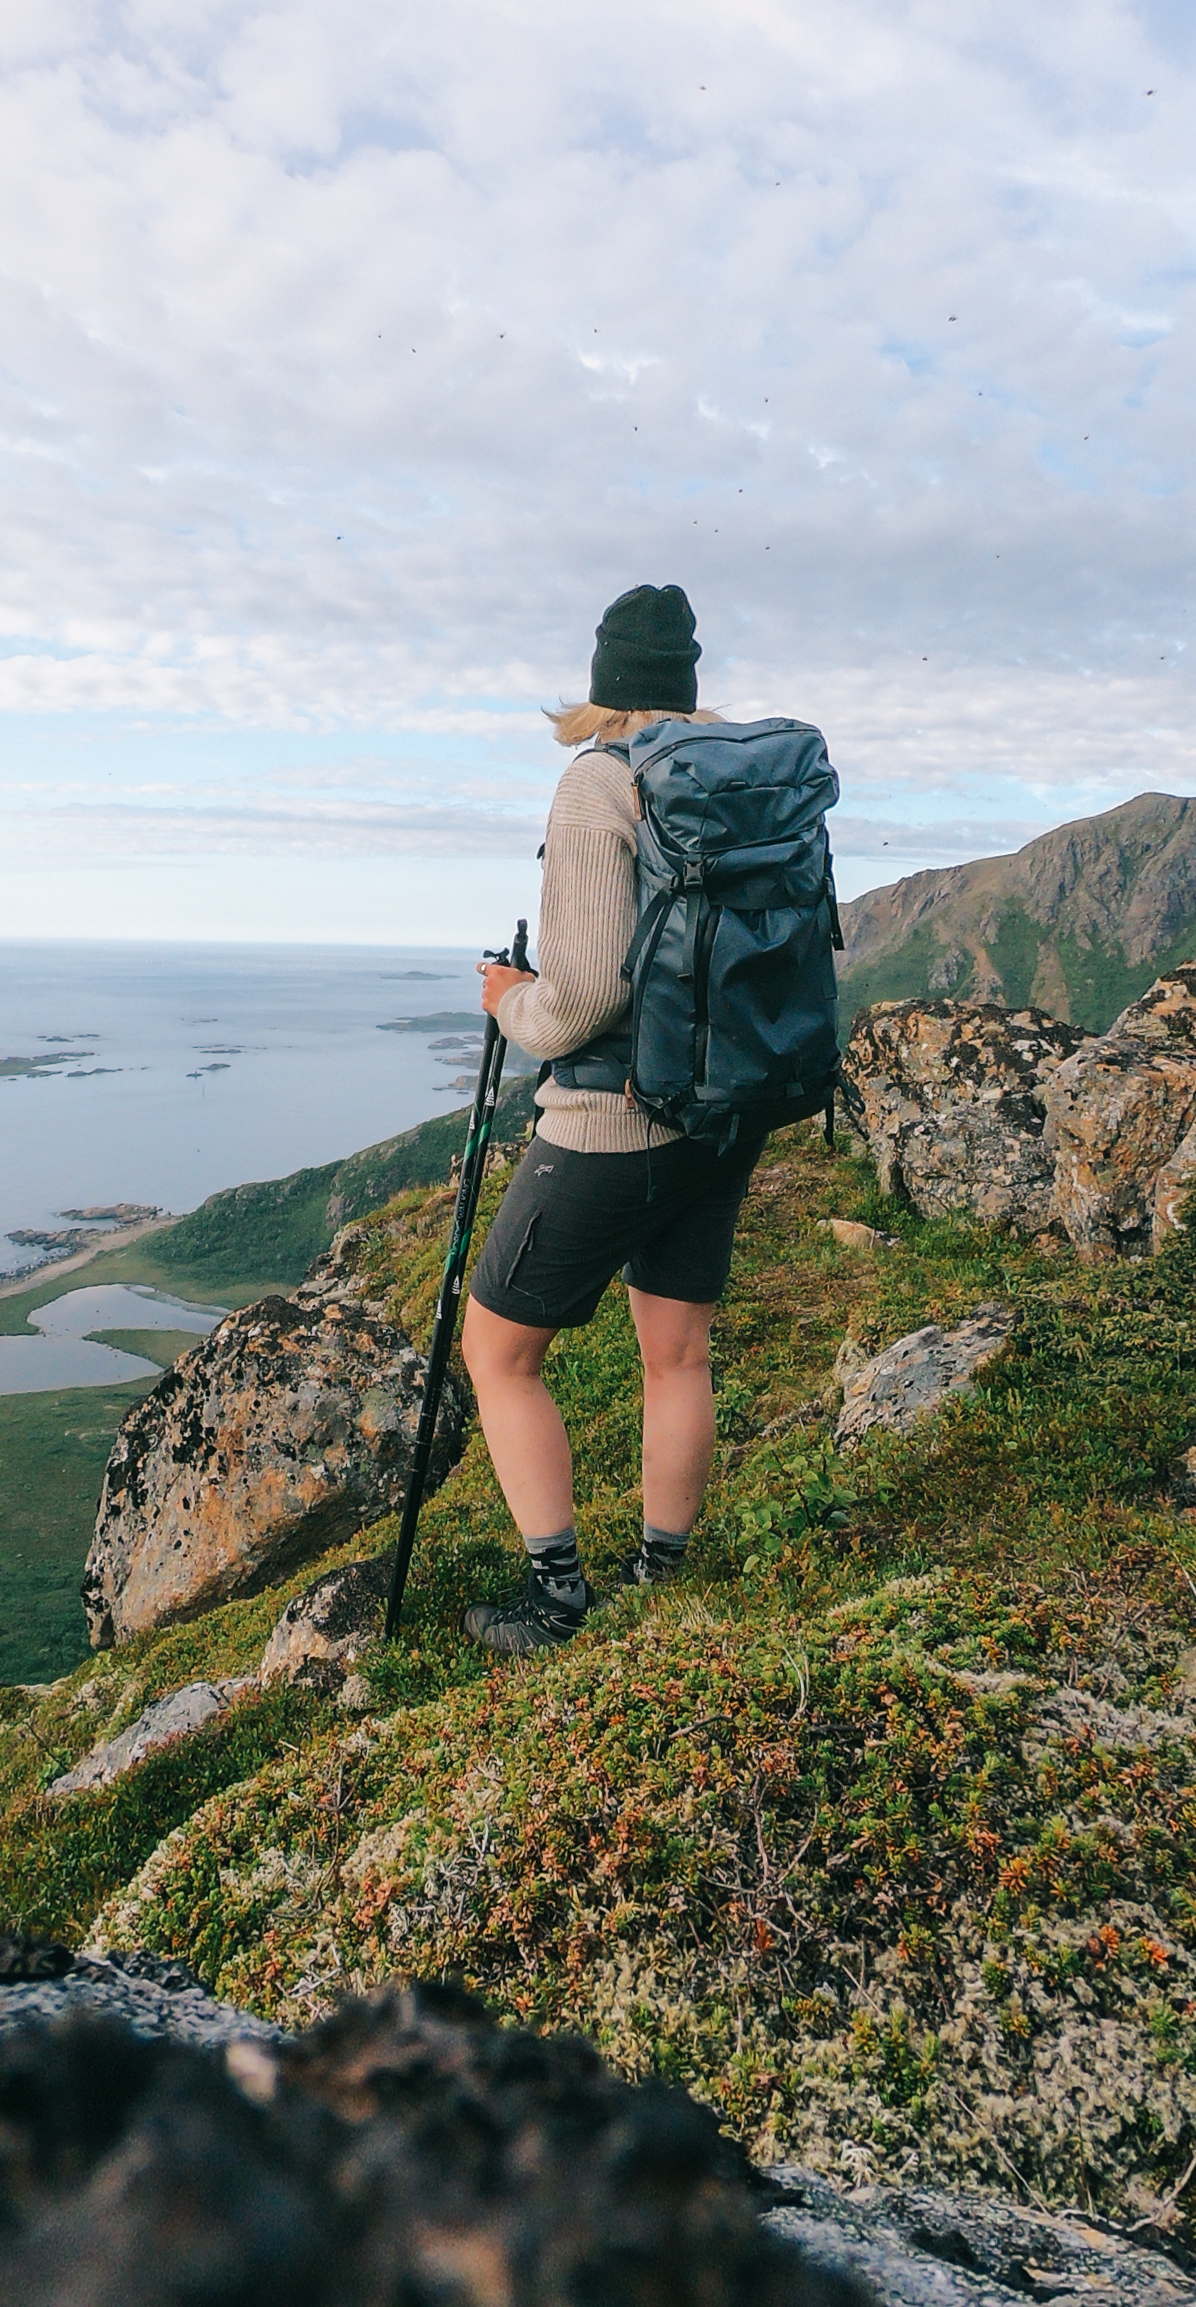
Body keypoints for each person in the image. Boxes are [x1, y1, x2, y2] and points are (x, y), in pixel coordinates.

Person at [457, 584, 764, 1656]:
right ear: (681, 683)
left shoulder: (599, 783)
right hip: (725, 1108)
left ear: (597, 687)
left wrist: (508, 1000)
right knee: (675, 1350)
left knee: (496, 1351)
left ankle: (556, 1600)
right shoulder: (732, 777)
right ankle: (658, 1575)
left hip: (615, 1118)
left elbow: (583, 996)